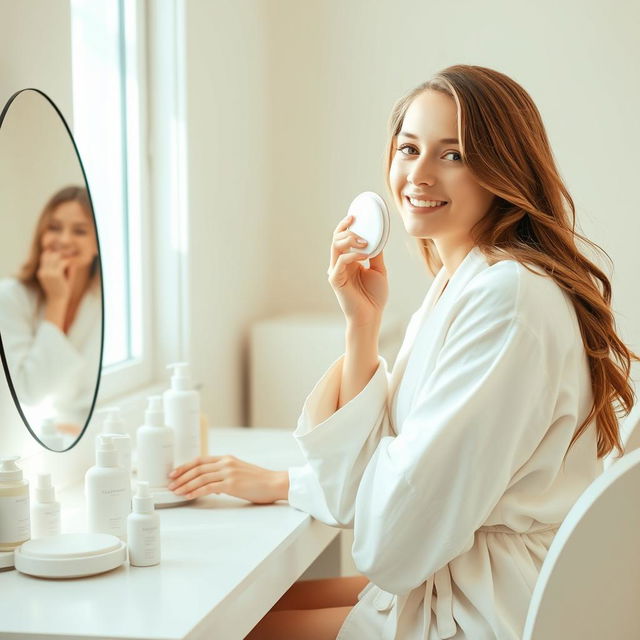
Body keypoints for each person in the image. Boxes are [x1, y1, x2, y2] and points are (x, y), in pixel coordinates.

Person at [169, 64, 637, 639]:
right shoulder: (462, 280)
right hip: (463, 575)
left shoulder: (505, 298)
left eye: (453, 155)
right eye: (409, 148)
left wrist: (312, 482)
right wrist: (361, 325)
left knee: (223, 628)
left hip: (486, 608)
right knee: (242, 610)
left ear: (503, 169)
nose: (418, 174)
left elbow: (394, 541)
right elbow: (393, 474)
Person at [0, 185, 101, 439]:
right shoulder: (10, 297)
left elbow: (90, 395)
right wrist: (57, 300)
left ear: (97, 244)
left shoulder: (99, 306)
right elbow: (28, 391)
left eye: (79, 231)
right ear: (41, 236)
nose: (64, 239)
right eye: (54, 227)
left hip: (73, 436)